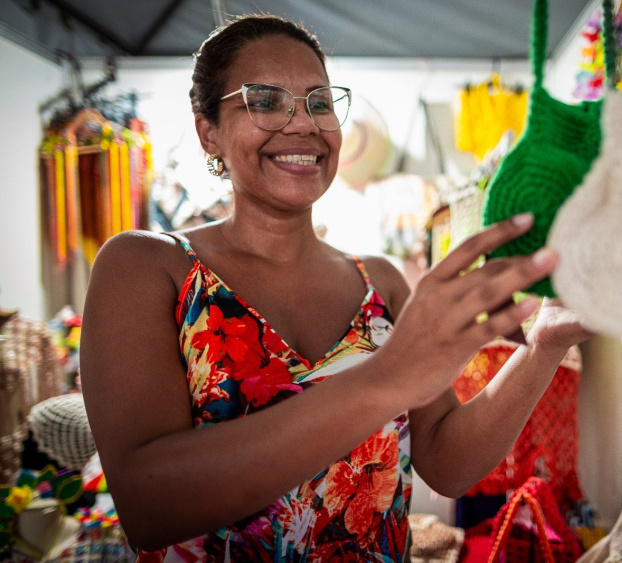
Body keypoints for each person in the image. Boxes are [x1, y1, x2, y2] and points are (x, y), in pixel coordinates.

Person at [80, 14, 592, 561]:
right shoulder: (146, 267)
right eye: (265, 100)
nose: (303, 124)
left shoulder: (381, 281)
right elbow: (148, 506)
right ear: (209, 130)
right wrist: (385, 380)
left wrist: (544, 345)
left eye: (319, 102)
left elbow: (447, 466)